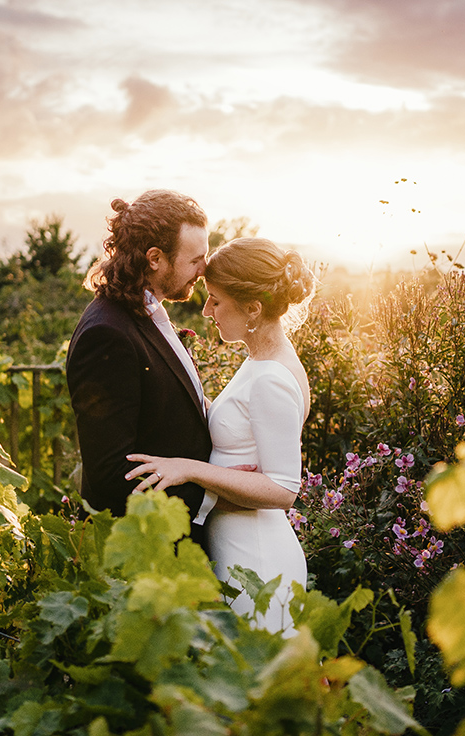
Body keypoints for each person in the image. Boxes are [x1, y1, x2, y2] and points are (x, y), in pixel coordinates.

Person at [126, 237, 315, 635]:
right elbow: (247, 427)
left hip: (258, 561)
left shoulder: (271, 377)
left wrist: (192, 470)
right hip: (240, 550)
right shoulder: (264, 361)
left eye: (216, 300)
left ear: (253, 308)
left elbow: (283, 489)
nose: (207, 310)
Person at [65, 189, 217, 548]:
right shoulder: (107, 334)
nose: (205, 269)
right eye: (196, 258)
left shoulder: (147, 316)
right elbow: (112, 474)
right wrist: (215, 496)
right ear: (155, 258)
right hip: (145, 552)